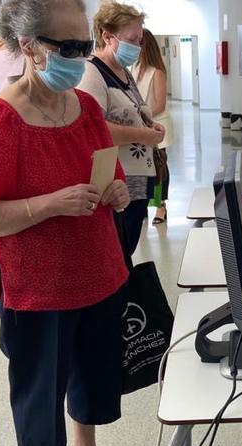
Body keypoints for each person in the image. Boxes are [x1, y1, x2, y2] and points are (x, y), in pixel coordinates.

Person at [0, 1, 135, 446]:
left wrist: (117, 192)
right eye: (70, 47)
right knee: (38, 385)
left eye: (86, 45)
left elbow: (110, 175)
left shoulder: (88, 111)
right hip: (35, 288)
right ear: (30, 47)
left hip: (98, 273)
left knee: (91, 374)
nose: (81, 58)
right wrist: (48, 204)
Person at [77, 1, 164, 258]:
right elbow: (93, 127)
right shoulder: (92, 73)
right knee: (117, 253)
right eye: (132, 39)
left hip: (137, 178)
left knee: (127, 249)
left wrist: (150, 124)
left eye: (140, 39)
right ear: (107, 36)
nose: (138, 46)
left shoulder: (123, 72)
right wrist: (143, 135)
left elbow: (135, 113)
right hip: (116, 182)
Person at [135, 28, 174, 226]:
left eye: (136, 42)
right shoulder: (133, 68)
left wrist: (143, 116)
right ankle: (142, 205)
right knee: (142, 167)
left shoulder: (157, 71)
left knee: (160, 167)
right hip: (140, 126)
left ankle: (161, 206)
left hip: (158, 126)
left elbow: (159, 103)